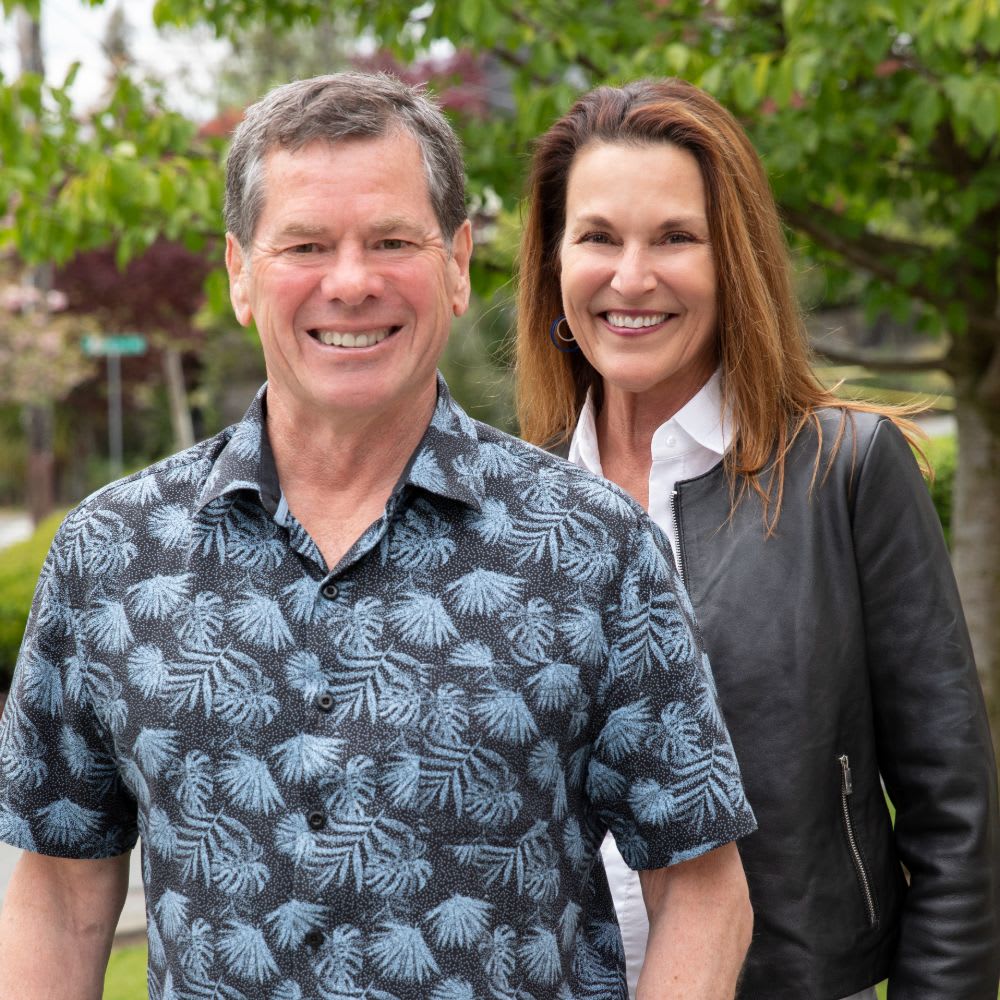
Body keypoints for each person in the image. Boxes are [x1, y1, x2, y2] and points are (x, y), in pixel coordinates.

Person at [0, 72, 757, 1000]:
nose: (351, 282)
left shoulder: (592, 549)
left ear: (457, 264)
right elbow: (60, 893)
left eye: (393, 241)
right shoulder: (111, 555)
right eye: (306, 245)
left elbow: (702, 889)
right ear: (240, 273)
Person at [515, 77, 1000, 1000]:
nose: (631, 278)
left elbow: (956, 823)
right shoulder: (508, 502)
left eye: (675, 238)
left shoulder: (845, 472)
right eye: (598, 237)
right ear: (554, 261)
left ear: (734, 259)